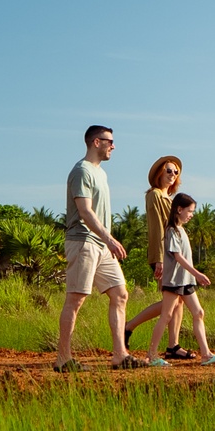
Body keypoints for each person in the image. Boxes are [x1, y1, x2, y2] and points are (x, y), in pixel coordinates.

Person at [54, 125, 145, 372]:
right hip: (83, 241)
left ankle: (119, 355)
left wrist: (107, 241)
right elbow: (85, 211)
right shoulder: (81, 171)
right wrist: (110, 239)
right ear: (96, 142)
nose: (113, 146)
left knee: (120, 294)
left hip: (101, 244)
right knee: (76, 299)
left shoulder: (101, 174)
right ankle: (63, 358)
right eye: (109, 141)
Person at [145, 193, 215, 366]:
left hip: (186, 281)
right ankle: (151, 355)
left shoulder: (181, 230)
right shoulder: (171, 230)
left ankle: (206, 354)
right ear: (179, 209)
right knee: (166, 316)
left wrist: (193, 276)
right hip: (174, 281)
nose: (191, 215)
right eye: (190, 211)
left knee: (198, 313)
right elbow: (178, 257)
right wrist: (197, 273)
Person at [122, 155, 190, 356]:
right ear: (159, 173)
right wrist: (158, 258)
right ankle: (129, 326)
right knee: (173, 300)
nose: (172, 174)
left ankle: (173, 346)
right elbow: (156, 229)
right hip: (166, 255)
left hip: (175, 255)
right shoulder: (154, 195)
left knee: (179, 300)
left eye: (176, 172)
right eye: (168, 170)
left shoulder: (170, 199)